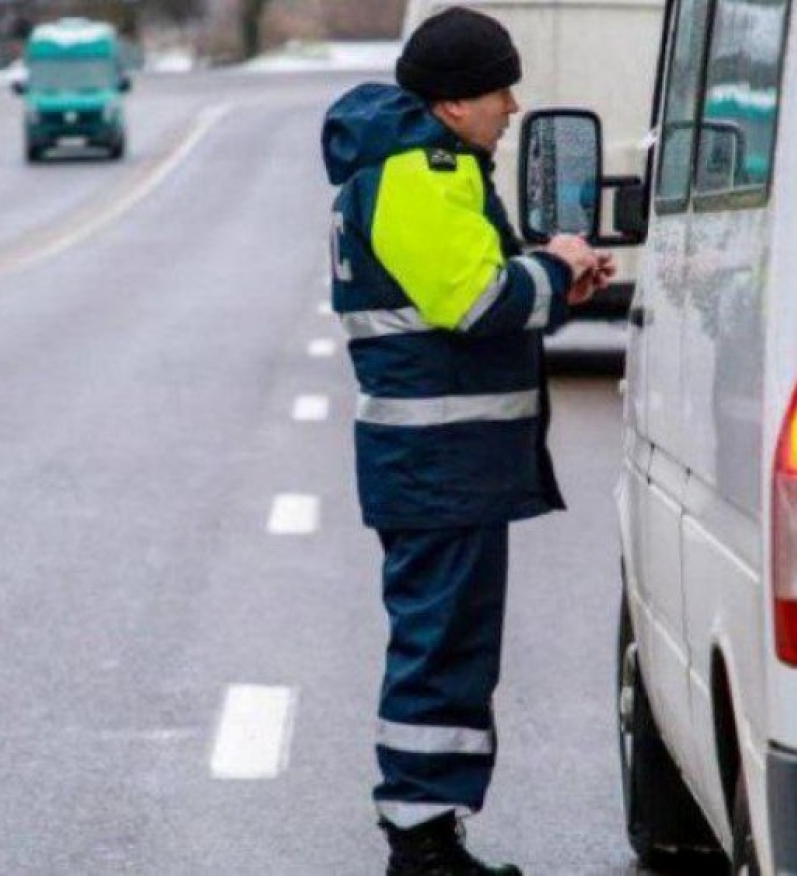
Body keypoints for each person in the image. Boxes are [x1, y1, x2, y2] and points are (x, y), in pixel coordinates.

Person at [320, 6, 614, 875]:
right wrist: (555, 267)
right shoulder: (421, 170)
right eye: (498, 89)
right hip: (436, 466)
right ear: (452, 103)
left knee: (448, 649)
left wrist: (556, 280)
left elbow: (471, 290)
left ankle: (431, 830)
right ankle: (421, 842)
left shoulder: (422, 165)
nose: (513, 106)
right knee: (440, 652)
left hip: (442, 464)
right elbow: (477, 304)